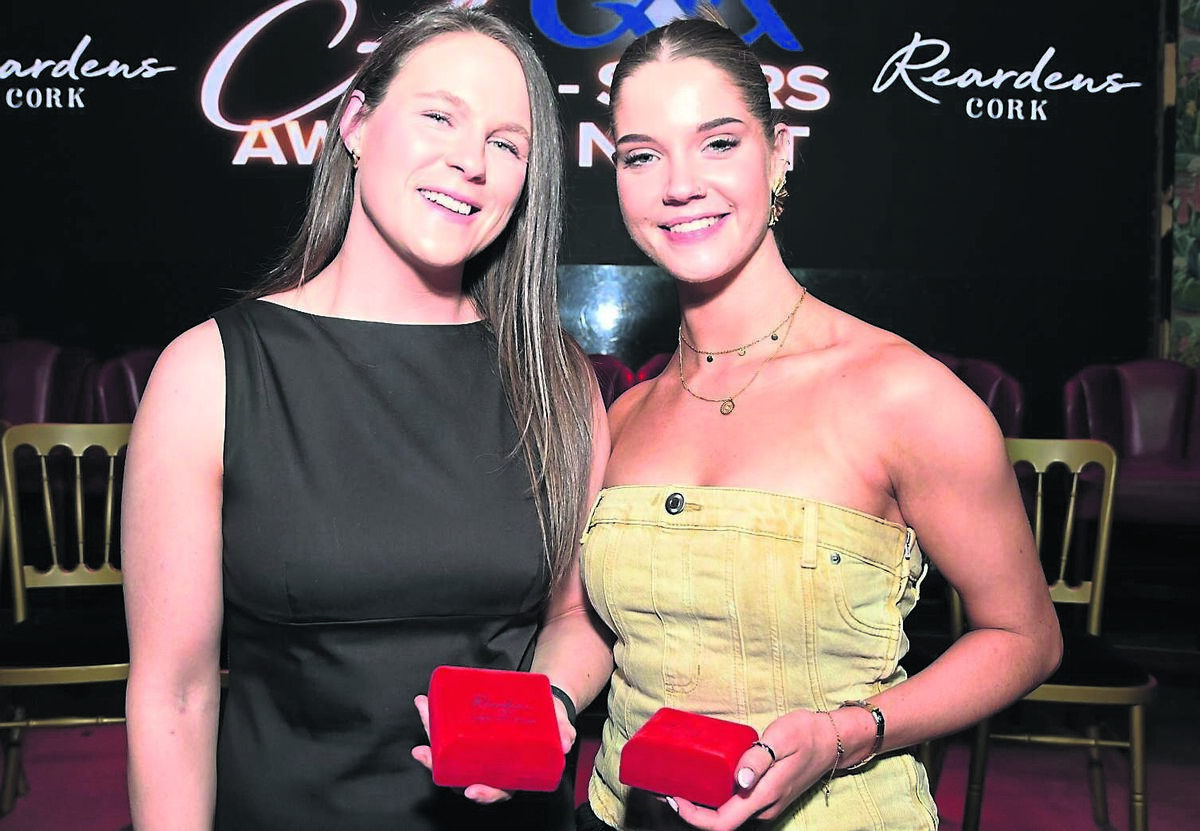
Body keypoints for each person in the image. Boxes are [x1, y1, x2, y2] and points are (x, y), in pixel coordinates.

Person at [569, 15, 1064, 831]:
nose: (679, 183)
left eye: (718, 142)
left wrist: (845, 735)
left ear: (780, 152)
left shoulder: (902, 394)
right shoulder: (626, 413)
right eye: (641, 154)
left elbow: (1026, 637)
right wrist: (550, 698)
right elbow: (599, 632)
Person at [121, 5, 607, 829]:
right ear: (356, 122)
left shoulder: (554, 376)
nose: (469, 162)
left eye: (505, 143)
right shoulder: (210, 372)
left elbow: (576, 617)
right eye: (438, 116)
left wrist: (546, 697)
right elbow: (176, 692)